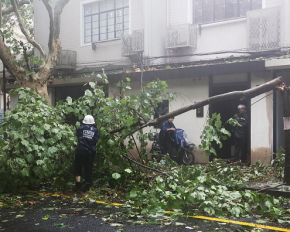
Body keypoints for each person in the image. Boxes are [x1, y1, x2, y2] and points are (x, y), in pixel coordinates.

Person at [75, 115, 100, 192]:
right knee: (88, 169)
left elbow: (78, 137)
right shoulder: (95, 130)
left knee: (78, 168)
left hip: (80, 151)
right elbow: (96, 140)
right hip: (90, 152)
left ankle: (78, 185)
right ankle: (87, 186)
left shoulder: (80, 128)